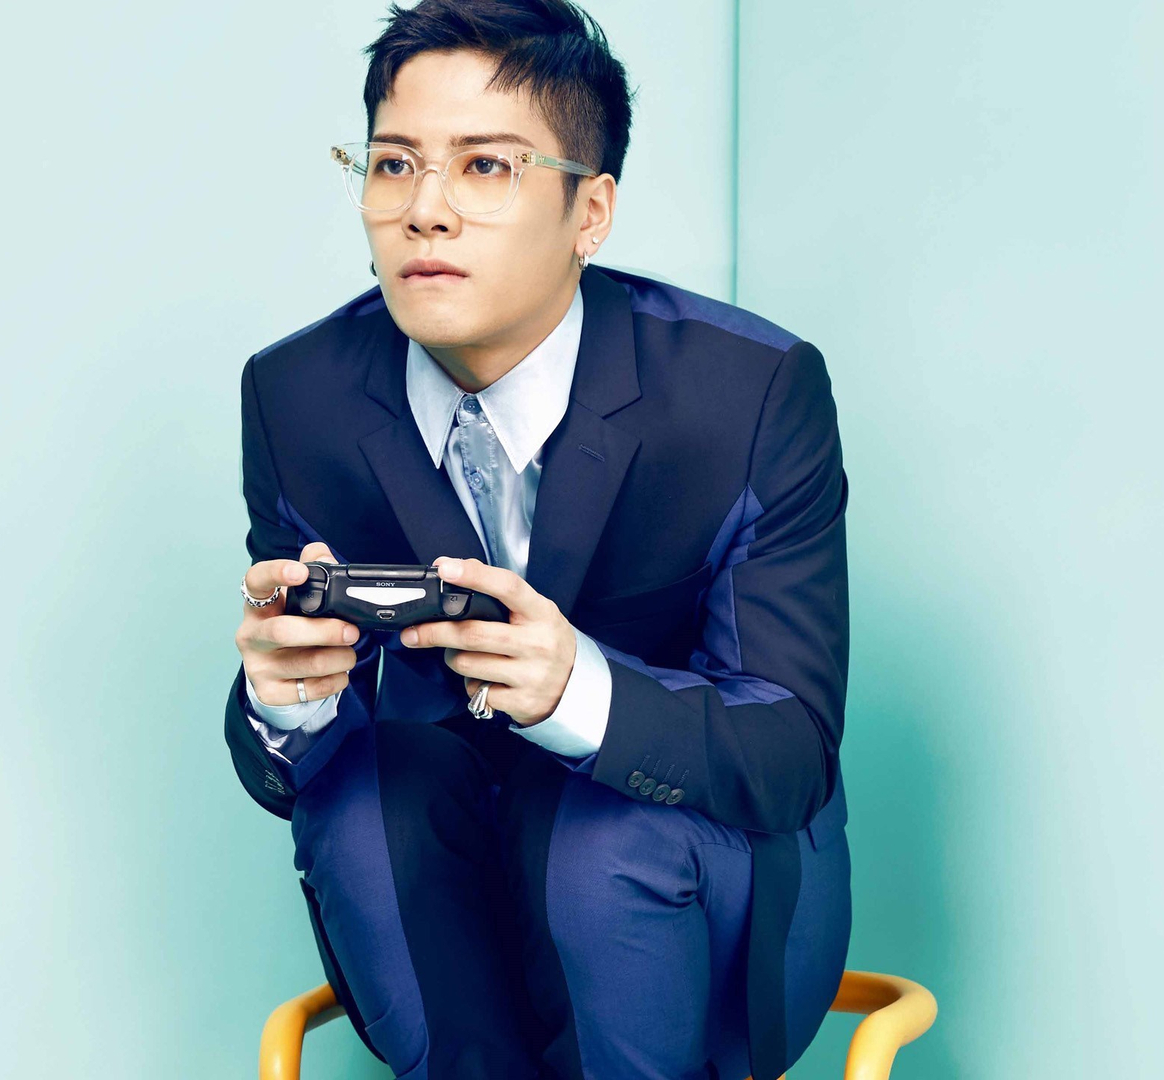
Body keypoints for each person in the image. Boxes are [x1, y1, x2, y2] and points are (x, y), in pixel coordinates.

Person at [223, 2, 851, 1077]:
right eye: (393, 165)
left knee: (599, 843)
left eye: (485, 168)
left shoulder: (747, 392)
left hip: (687, 889)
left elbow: (790, 750)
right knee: (364, 796)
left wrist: (577, 691)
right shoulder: (298, 394)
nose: (425, 212)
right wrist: (285, 700)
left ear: (589, 212)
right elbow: (293, 774)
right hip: (452, 898)